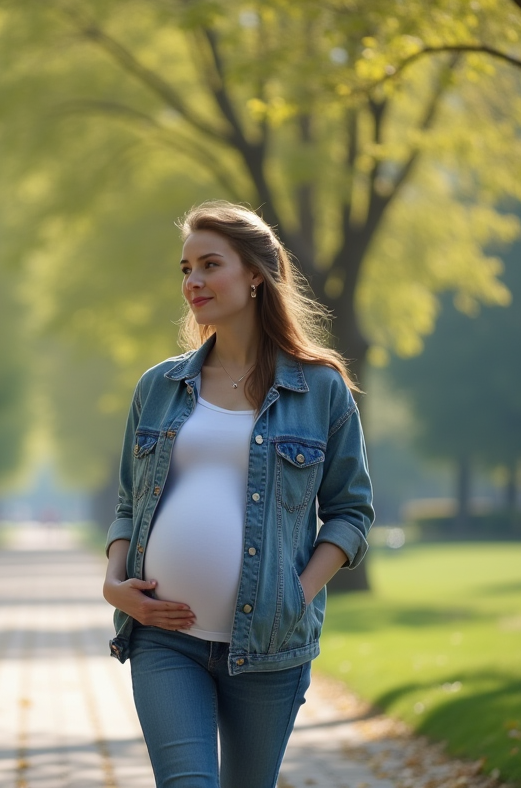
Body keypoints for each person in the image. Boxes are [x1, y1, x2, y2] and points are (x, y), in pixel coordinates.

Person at [102, 201, 375, 788]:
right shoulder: (159, 386)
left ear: (255, 273)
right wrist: (115, 584)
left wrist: (293, 596)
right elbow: (129, 502)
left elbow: (351, 511)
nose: (192, 281)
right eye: (184, 269)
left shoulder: (320, 388)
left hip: (270, 647)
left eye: (208, 264)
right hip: (163, 639)